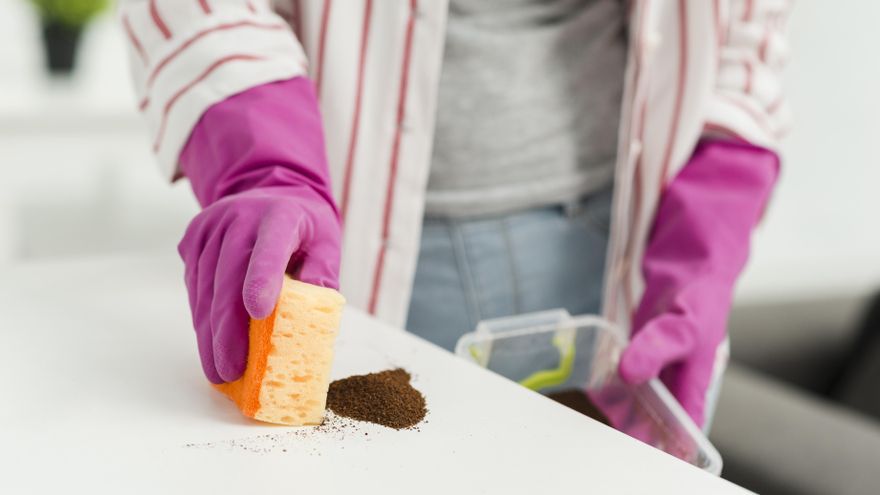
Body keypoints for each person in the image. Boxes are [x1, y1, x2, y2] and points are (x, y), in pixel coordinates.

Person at [120, 0, 791, 429]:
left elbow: (749, 32)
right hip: (378, 260)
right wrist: (264, 151)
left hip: (617, 249)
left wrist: (710, 219)